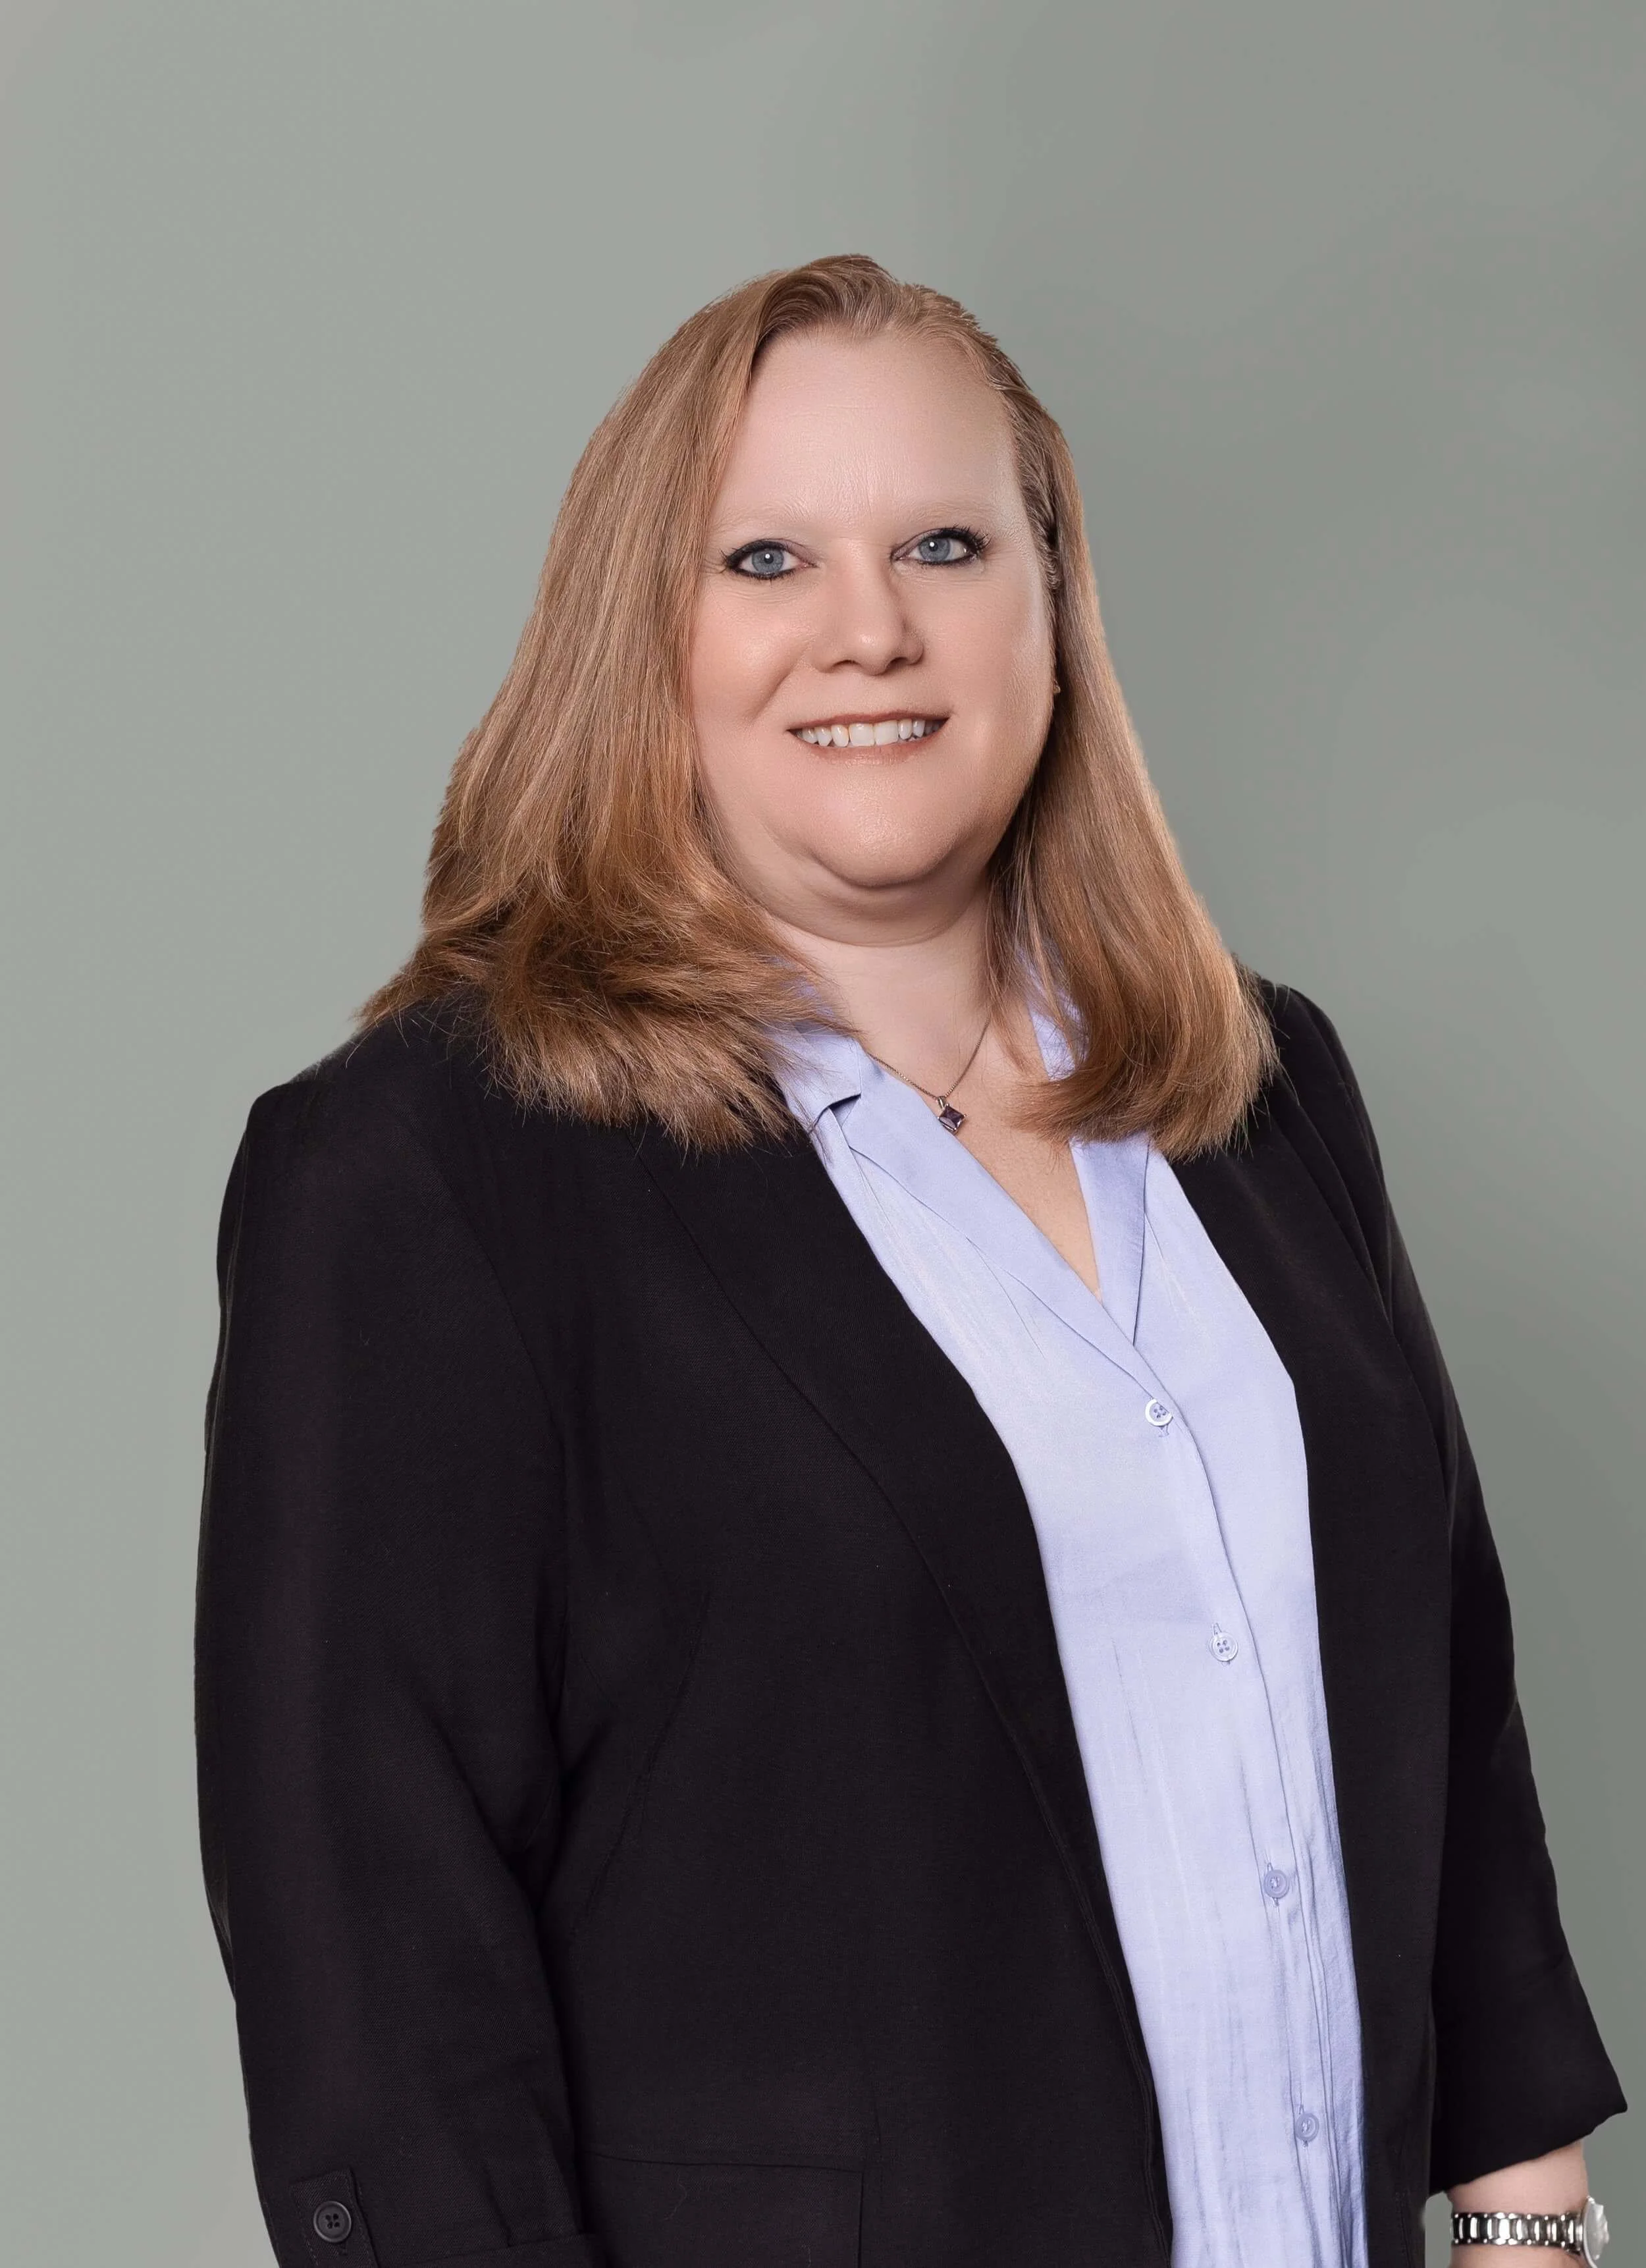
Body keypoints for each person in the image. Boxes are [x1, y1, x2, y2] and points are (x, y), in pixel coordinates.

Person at [195, 256, 1623, 2268]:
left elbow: (1435, 1680)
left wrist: (1525, 2223)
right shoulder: (432, 1165)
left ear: (1050, 608)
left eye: (944, 543)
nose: (866, 627)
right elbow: (377, 1960)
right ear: (648, 637)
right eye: (764, 557)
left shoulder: (1259, 1083)